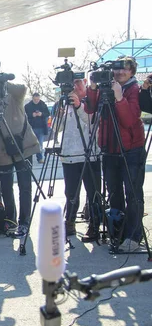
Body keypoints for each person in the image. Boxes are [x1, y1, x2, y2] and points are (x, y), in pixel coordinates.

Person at [84, 56, 144, 251]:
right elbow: (90, 108)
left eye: (124, 69)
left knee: (133, 194)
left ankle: (133, 237)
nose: (119, 73)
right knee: (114, 193)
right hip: (109, 147)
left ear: (132, 72)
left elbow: (129, 120)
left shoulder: (135, 90)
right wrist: (93, 87)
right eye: (117, 69)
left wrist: (119, 97)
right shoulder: (106, 86)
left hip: (131, 149)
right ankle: (117, 232)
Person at [0, 79, 40, 236]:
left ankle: (24, 222)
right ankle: (10, 220)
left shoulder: (13, 98)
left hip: (23, 148)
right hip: (2, 152)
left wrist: (3, 81)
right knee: (6, 187)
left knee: (24, 186)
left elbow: (22, 88)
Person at [54, 79, 102, 240]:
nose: (74, 88)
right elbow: (55, 128)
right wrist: (59, 115)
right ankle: (69, 223)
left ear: (85, 84)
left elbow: (93, 122)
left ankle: (95, 224)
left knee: (93, 191)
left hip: (90, 155)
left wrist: (78, 106)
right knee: (71, 192)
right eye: (71, 84)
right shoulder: (64, 104)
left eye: (78, 84)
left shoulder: (92, 100)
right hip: (69, 156)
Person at [24, 92, 51, 163]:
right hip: (31, 127)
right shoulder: (28, 106)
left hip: (41, 127)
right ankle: (29, 159)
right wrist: (31, 115)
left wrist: (41, 114)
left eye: (38, 99)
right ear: (32, 98)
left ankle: (40, 158)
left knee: (40, 144)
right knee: (30, 144)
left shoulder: (43, 105)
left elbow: (48, 113)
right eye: (35, 99)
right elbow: (23, 116)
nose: (37, 101)